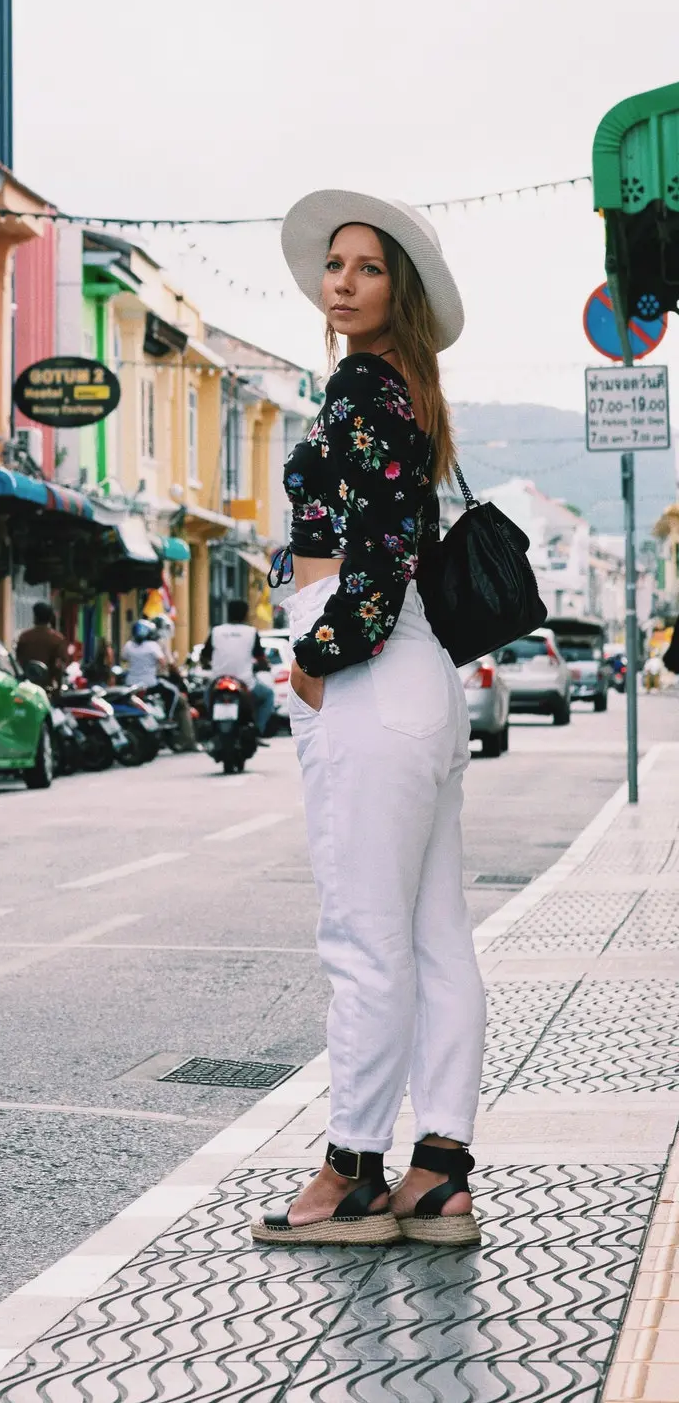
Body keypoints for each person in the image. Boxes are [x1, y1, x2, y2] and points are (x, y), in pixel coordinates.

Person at [251, 192, 483, 1251]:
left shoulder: (359, 387)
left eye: (365, 268)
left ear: (401, 292)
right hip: (420, 674)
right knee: (432, 935)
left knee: (361, 934)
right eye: (333, 266)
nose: (338, 281)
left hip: (370, 665)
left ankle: (349, 1169)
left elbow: (380, 546)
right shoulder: (407, 387)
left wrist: (317, 652)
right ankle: (435, 1173)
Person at [200, 599, 276, 736]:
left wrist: (206, 665)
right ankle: (257, 730)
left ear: (228, 613)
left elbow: (204, 656)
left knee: (206, 696)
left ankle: (210, 723)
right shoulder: (251, 632)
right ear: (246, 614)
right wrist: (265, 667)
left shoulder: (216, 631)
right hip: (244, 682)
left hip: (218, 681)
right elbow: (261, 659)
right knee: (268, 695)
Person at [14, 601, 68, 691]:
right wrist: (58, 689)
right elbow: (59, 666)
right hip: (47, 687)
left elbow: (18, 661)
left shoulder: (25, 636)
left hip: (26, 686)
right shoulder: (57, 639)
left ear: (35, 617)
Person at [122, 619, 167, 688]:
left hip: (131, 682)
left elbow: (124, 659)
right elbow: (163, 663)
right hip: (149, 682)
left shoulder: (128, 645)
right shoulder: (153, 645)